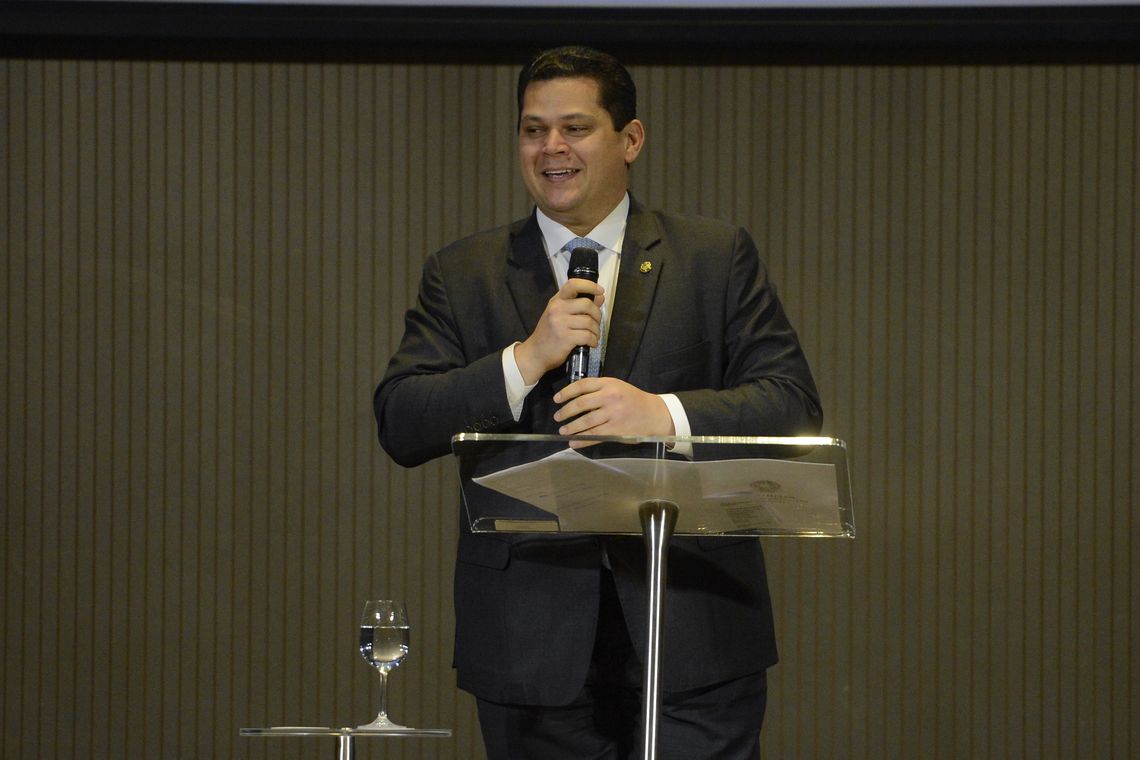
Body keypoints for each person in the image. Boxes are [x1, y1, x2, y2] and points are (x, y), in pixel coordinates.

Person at [374, 45, 822, 759]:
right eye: (533, 130)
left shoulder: (713, 257)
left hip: (694, 629)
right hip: (530, 639)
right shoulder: (463, 272)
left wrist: (661, 414)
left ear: (630, 139)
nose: (551, 147)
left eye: (575, 128)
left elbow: (791, 404)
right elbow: (402, 421)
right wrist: (525, 360)